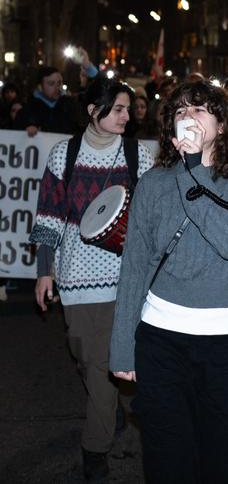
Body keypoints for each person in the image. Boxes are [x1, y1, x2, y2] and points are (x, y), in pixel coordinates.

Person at [109, 79, 228, 484]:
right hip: (161, 340)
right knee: (167, 461)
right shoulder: (154, 183)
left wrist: (194, 170)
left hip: (226, 346)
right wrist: (122, 346)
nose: (187, 116)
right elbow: (136, 266)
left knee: (224, 461)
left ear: (223, 122)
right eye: (179, 111)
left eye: (198, 109)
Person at [30, 76, 154, 482]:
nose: (126, 116)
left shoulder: (140, 156)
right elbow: (48, 218)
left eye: (128, 109)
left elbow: (154, 216)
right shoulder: (62, 156)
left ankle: (94, 450)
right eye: (117, 108)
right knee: (88, 360)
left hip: (128, 281)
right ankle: (109, 408)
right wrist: (43, 273)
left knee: (104, 368)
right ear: (92, 111)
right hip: (76, 279)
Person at [14, 65, 81, 136]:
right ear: (40, 87)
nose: (57, 87)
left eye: (59, 83)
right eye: (51, 83)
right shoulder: (27, 111)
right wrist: (24, 132)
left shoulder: (70, 106)